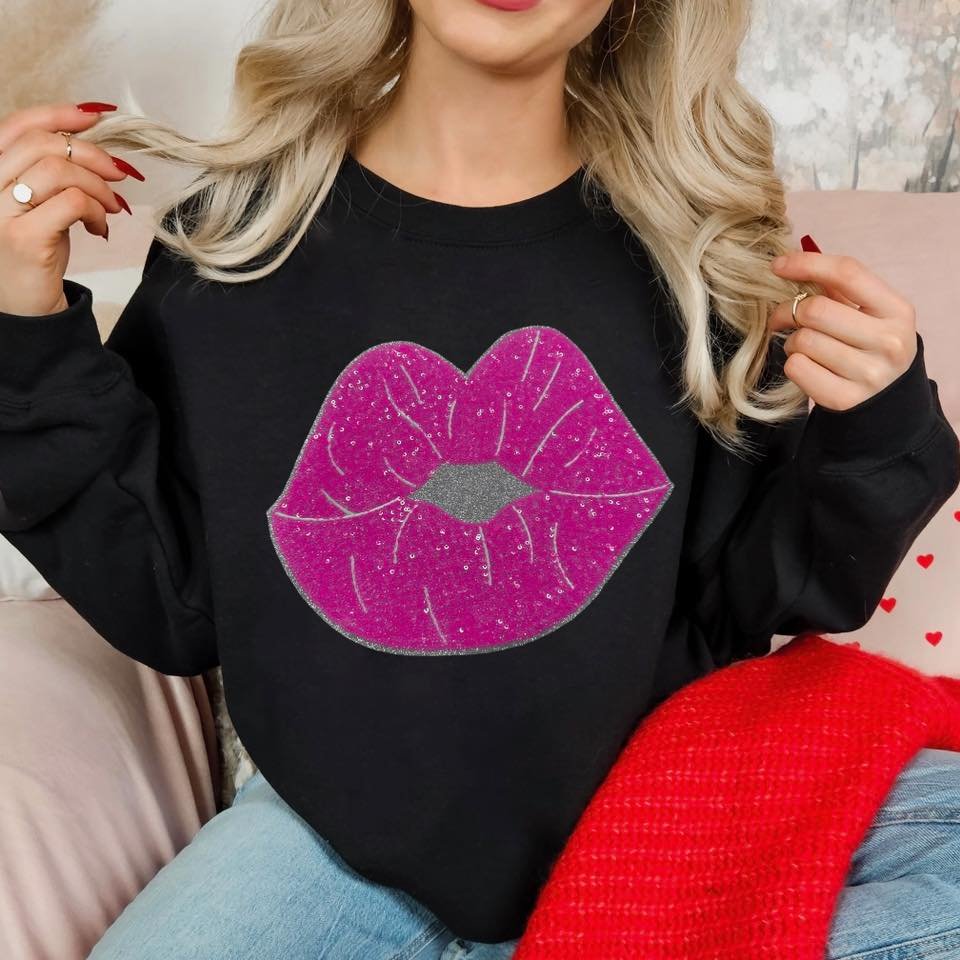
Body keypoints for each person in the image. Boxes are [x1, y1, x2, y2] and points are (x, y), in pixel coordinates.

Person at [0, 1, 958, 957]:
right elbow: (169, 600)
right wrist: (22, 324)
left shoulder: (698, 256)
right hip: (325, 844)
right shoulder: (238, 241)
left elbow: (765, 593)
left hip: (664, 818)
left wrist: (878, 418)